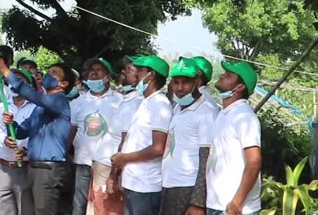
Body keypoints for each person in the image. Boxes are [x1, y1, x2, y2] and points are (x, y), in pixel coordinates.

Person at [0, 58, 75, 215]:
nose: (48, 75)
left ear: (63, 84)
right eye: (48, 71)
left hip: (48, 169)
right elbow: (21, 132)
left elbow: (34, 95)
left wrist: (5, 71)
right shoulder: (39, 108)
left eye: (54, 72)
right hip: (33, 167)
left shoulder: (60, 100)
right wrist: (10, 124)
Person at [110, 55, 172, 215]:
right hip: (133, 182)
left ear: (150, 75)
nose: (135, 74)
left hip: (146, 185)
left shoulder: (159, 104)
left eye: (139, 70)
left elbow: (158, 148)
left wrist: (125, 158)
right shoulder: (146, 102)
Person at [160, 58, 218, 215]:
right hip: (168, 184)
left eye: (185, 82)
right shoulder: (178, 107)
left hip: (187, 188)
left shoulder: (206, 111)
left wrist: (198, 202)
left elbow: (207, 157)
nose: (179, 88)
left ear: (196, 82)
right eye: (175, 82)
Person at [206, 61, 261, 215]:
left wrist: (237, 202)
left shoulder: (244, 116)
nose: (222, 76)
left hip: (235, 208)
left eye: (229, 75)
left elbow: (254, 162)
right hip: (217, 203)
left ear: (239, 87)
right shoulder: (224, 114)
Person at [69, 58, 122, 215]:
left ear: (108, 76)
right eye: (91, 70)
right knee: (79, 203)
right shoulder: (78, 101)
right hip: (82, 160)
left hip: (106, 163)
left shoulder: (120, 101)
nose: (93, 72)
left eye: (99, 69)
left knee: (103, 206)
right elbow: (73, 129)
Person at [91, 56, 142, 215]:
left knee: (108, 210)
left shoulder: (135, 102)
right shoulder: (127, 99)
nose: (123, 72)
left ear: (138, 77)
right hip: (103, 164)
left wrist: (114, 174)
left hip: (109, 166)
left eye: (129, 70)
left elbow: (125, 141)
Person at [0, 69, 35, 215]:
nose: (15, 84)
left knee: (26, 210)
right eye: (12, 80)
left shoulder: (36, 108)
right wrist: (4, 140)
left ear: (29, 85)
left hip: (26, 167)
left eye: (20, 81)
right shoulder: (1, 107)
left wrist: (25, 149)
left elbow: (36, 134)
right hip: (3, 167)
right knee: (3, 209)